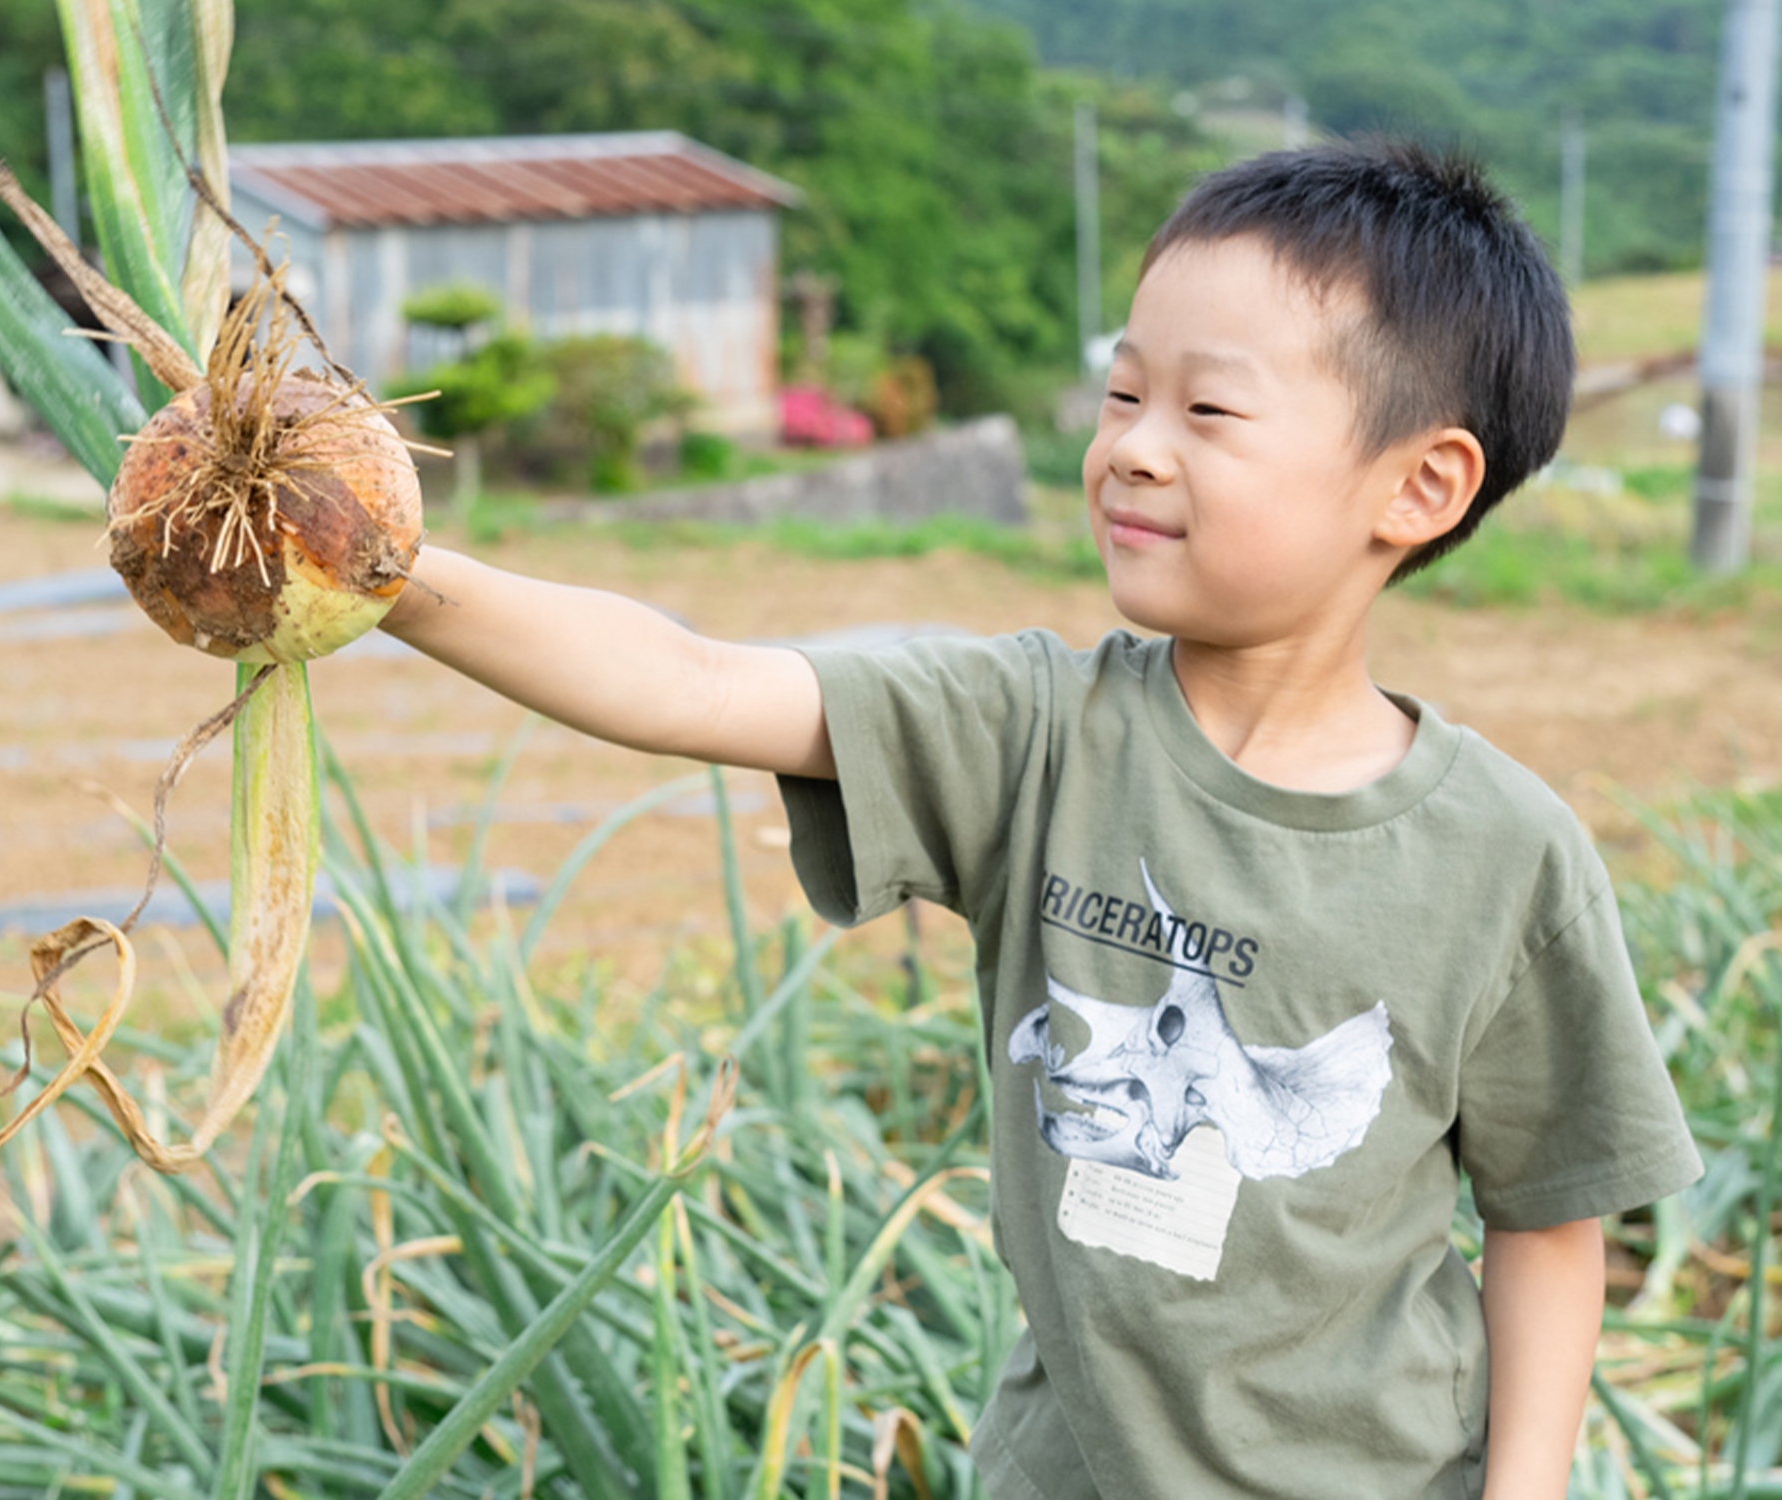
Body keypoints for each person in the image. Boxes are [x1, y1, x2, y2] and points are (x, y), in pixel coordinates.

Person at [380, 137, 1703, 1500]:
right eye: (1122, 391)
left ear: (1419, 486)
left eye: (1208, 414)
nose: (1129, 446)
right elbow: (690, 679)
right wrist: (385, 568)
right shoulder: (1034, 735)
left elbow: (1549, 1217)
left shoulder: (1504, 855)